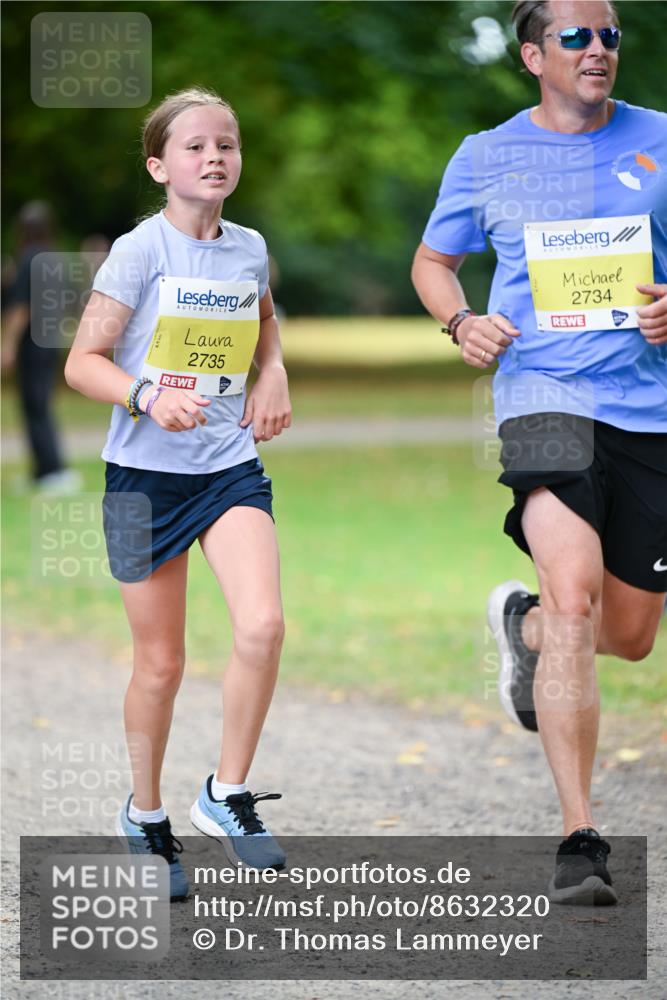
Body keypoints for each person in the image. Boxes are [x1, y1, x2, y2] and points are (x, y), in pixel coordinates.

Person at [412, 0, 667, 905]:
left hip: (649, 412)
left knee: (629, 637)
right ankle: (579, 841)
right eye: (576, 36)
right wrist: (461, 320)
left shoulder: (662, 140)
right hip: (542, 400)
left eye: (609, 35)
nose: (598, 50)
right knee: (574, 596)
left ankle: (519, 629)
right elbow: (433, 261)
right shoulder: (486, 155)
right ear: (531, 54)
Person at [65, 88, 292, 901]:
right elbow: (82, 361)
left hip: (227, 465)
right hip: (144, 477)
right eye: (195, 146)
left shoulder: (248, 247)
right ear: (161, 166)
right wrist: (146, 397)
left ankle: (226, 794)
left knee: (262, 625)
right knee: (161, 664)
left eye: (226, 143)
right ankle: (146, 813)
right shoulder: (139, 250)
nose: (215, 157)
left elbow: (264, 322)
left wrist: (273, 373)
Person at [2, 201, 81, 492]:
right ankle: (42, 471)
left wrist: (7, 345)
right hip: (50, 342)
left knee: (35, 407)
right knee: (39, 405)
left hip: (32, 346)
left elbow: (21, 307)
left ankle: (53, 471)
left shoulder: (28, 259)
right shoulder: (55, 259)